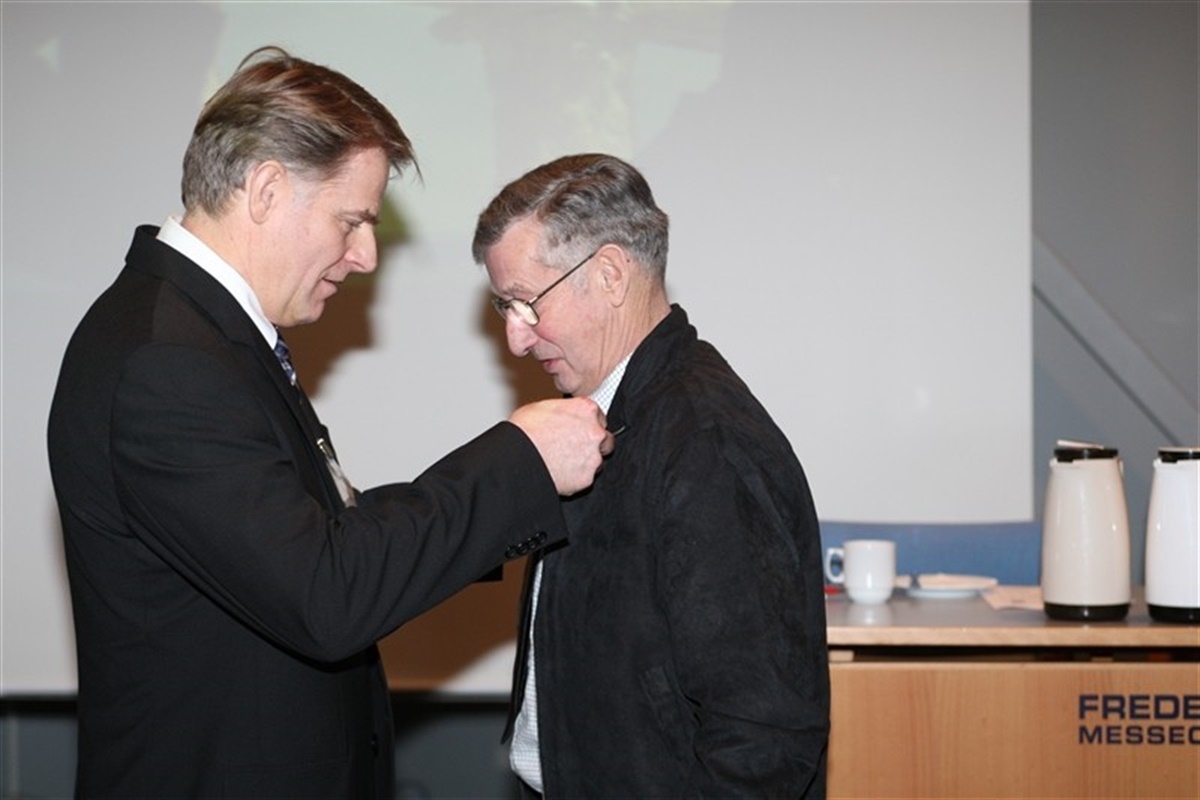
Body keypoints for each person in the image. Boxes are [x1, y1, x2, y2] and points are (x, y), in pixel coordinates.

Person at [47, 47, 612, 799]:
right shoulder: (167, 361)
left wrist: (512, 492)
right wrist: (521, 462)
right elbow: (324, 593)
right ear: (266, 190)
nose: (366, 255)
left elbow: (308, 540)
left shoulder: (198, 336)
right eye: (352, 221)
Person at [473, 153, 831, 798]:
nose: (516, 339)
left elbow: (765, 733)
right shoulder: (609, 417)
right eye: (504, 307)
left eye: (526, 303)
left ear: (610, 273)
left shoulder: (706, 441)